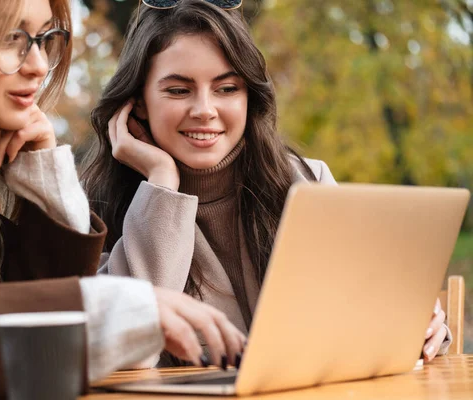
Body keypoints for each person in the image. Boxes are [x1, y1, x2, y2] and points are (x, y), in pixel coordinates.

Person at [0, 0, 245, 398]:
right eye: (10, 37)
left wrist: (46, 179)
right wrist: (111, 308)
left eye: (43, 38)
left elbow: (28, 350)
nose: (36, 64)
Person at [81, 0, 451, 366]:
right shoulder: (97, 207)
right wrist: (162, 184)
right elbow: (130, 352)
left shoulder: (305, 184)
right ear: (139, 103)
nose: (205, 110)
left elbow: (372, 301)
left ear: (249, 96)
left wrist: (417, 320)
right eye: (178, 90)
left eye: (226, 89)